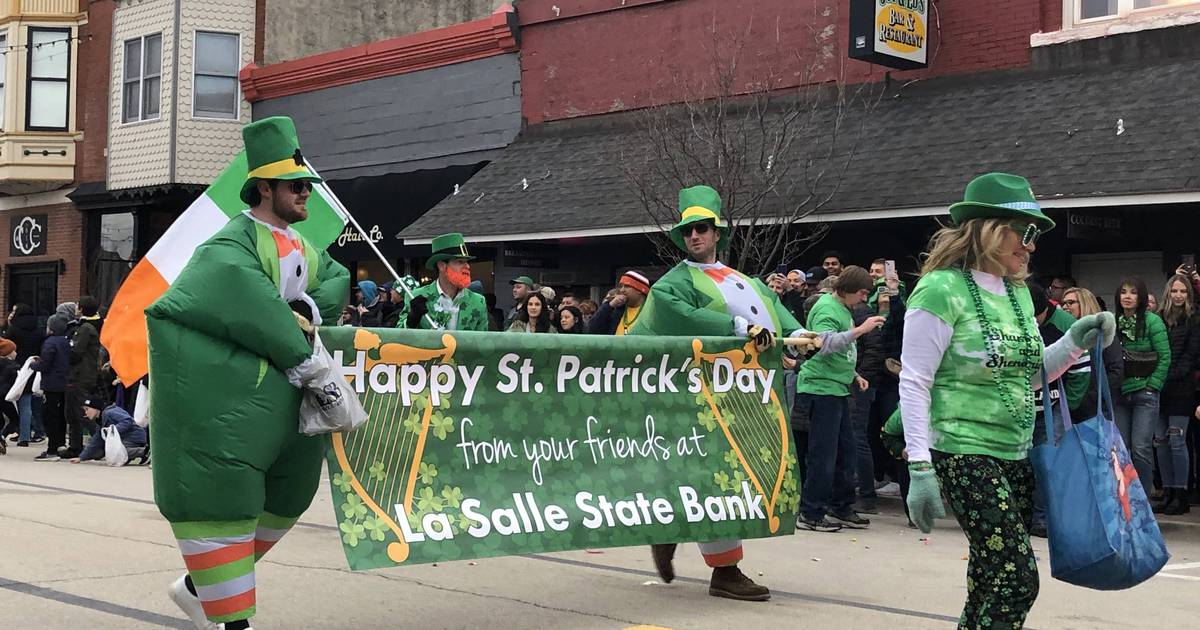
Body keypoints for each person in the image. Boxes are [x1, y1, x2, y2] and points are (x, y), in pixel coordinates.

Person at [145, 116, 350, 630]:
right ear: (265, 188)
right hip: (235, 402)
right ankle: (229, 620)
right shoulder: (228, 245)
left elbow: (333, 282)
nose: (307, 194)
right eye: (297, 186)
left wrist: (305, 310)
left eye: (308, 185)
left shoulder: (306, 249)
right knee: (220, 503)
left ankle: (199, 589)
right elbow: (238, 295)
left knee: (289, 496)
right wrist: (300, 347)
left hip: (285, 408)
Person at [901, 173, 1115, 629]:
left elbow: (1032, 374)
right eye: (1026, 232)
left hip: (1015, 452)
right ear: (989, 228)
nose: (1032, 246)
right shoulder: (941, 289)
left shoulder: (1019, 293)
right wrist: (919, 467)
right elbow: (915, 381)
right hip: (963, 450)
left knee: (987, 577)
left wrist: (1075, 340)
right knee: (1016, 579)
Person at [628, 185, 815, 602]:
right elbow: (674, 313)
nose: (693, 236)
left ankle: (673, 526)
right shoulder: (673, 282)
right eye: (687, 231)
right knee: (718, 475)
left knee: (728, 475)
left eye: (701, 228)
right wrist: (731, 327)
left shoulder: (744, 280)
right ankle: (723, 569)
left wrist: (801, 334)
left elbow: (774, 313)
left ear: (716, 233)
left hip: (744, 395)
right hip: (703, 395)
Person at [796, 266, 886, 530]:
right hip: (820, 390)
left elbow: (840, 349)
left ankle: (840, 506)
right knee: (823, 455)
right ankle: (810, 513)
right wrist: (862, 330)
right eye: (862, 294)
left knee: (846, 454)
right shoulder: (826, 308)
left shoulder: (843, 308)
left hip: (837, 388)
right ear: (853, 291)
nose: (863, 299)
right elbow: (823, 344)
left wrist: (854, 372)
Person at [1112, 276, 1170, 490]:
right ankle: (1125, 496)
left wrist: (1152, 385)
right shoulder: (1113, 320)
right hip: (1120, 393)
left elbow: (1165, 357)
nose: (1128, 296)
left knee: (1141, 448)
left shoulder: (1153, 321)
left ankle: (1144, 497)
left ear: (1142, 297)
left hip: (1145, 393)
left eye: (1133, 292)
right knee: (1121, 448)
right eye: (1124, 291)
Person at [1155, 274, 1200, 514]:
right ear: (1168, 293)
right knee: (1160, 442)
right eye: (1175, 291)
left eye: (1183, 291)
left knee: (1176, 441)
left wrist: (1167, 374)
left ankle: (1181, 492)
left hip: (1181, 389)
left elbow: (1190, 357)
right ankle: (1168, 490)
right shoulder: (1160, 318)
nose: (1179, 295)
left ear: (1189, 294)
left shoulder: (1193, 320)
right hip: (1159, 389)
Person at [397, 233, 489, 332]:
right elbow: (398, 337)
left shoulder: (478, 302)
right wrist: (412, 320)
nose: (467, 267)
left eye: (467, 262)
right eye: (459, 262)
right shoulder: (416, 296)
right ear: (441, 265)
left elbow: (483, 343)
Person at [1061, 287, 1124, 423]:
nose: (1065, 307)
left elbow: (1115, 371)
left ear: (1084, 303)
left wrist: (1092, 398)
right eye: (1063, 303)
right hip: (1067, 407)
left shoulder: (1103, 332)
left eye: (1070, 303)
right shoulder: (1065, 335)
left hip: (1096, 408)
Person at [62, 296, 102, 459]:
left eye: (78, 306)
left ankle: (99, 443)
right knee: (72, 412)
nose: (76, 308)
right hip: (82, 375)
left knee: (80, 412)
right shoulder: (88, 326)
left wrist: (66, 351)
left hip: (80, 376)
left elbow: (76, 352)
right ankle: (75, 446)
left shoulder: (85, 328)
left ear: (82, 309)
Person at [3, 304, 45, 447]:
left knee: (9, 400)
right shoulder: (39, 330)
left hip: (12, 369)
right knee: (27, 404)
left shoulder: (14, 329)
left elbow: (5, 345)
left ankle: (13, 429)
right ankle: (25, 436)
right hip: (32, 368)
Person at [30, 315, 70, 461]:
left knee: (49, 415)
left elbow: (45, 364)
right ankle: (60, 444)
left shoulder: (50, 343)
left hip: (51, 384)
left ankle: (52, 449)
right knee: (60, 415)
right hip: (64, 383)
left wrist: (33, 365)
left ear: (51, 328)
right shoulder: (66, 342)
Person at [71, 397, 148, 465]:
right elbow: (95, 441)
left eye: (87, 409)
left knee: (117, 452)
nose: (86, 413)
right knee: (116, 457)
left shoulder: (110, 412)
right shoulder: (100, 421)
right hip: (126, 439)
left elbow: (128, 421)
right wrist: (81, 458)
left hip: (135, 437)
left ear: (96, 408)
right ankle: (141, 454)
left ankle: (145, 452)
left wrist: (112, 429)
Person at [588, 271, 651, 335]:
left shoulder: (652, 312)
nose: (622, 290)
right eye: (621, 286)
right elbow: (592, 330)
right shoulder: (616, 310)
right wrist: (609, 306)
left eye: (627, 286)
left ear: (639, 290)